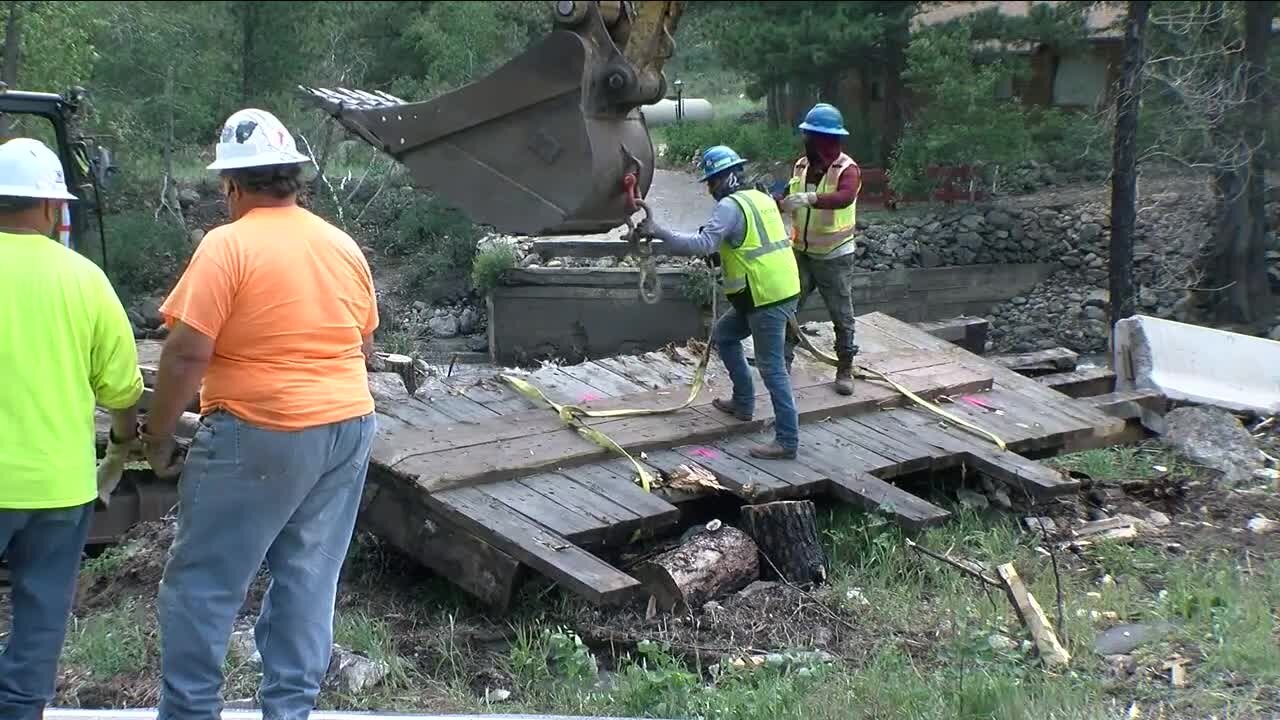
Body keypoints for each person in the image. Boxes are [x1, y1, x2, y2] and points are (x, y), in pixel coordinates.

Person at [143, 108, 380, 720]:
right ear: (294, 179)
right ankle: (290, 711)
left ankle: (192, 712)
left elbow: (187, 352)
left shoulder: (227, 245)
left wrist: (159, 435)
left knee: (204, 584)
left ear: (232, 186)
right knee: (308, 579)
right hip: (347, 425)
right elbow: (365, 347)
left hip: (261, 428)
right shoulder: (340, 243)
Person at [0, 138, 144, 719]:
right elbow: (122, 391)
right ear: (49, 208)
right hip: (59, 488)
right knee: (40, 613)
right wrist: (123, 444)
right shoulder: (85, 280)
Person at [640, 145, 801, 459]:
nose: (710, 188)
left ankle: (787, 441)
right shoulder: (759, 197)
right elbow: (743, 240)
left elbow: (704, 243)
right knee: (725, 336)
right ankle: (743, 403)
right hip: (776, 288)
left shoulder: (729, 206)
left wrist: (659, 232)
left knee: (772, 369)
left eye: (711, 181)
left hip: (765, 295)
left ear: (724, 178)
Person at [779, 103, 863, 395]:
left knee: (841, 313)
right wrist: (782, 201)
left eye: (815, 136)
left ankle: (845, 367)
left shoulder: (847, 169)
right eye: (808, 136)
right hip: (800, 252)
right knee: (788, 308)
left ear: (829, 139)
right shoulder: (801, 165)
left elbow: (844, 198)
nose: (810, 142)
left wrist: (811, 198)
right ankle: (782, 363)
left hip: (834, 255)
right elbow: (790, 194)